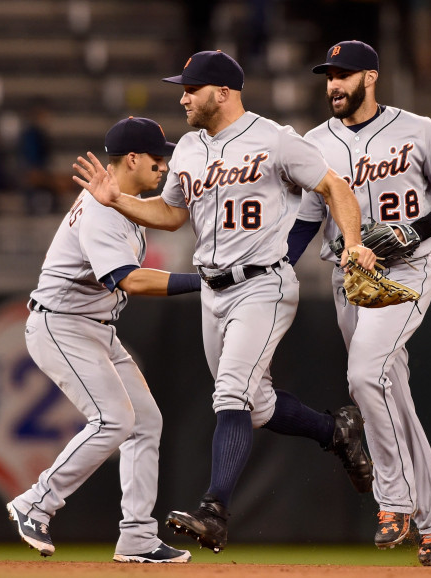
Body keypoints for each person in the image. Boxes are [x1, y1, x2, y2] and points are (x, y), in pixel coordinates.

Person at [72, 50, 377, 554]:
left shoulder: (274, 138)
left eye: (191, 88)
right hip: (212, 290)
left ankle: (214, 511)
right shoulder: (190, 147)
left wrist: (353, 241)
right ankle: (335, 430)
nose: (182, 97)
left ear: (223, 92)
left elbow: (334, 187)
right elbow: (171, 215)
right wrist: (119, 200)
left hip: (264, 285)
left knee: (231, 393)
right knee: (254, 404)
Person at [287, 40, 431, 567]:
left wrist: (419, 230)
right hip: (351, 279)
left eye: (344, 75)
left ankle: (394, 500)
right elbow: (306, 219)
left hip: (405, 273)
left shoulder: (418, 128)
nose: (333, 85)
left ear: (370, 77)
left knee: (366, 376)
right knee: (391, 396)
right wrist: (280, 263)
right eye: (329, 75)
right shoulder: (315, 142)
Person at [6, 117, 200, 564]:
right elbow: (128, 280)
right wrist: (202, 281)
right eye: (157, 158)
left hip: (94, 327)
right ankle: (36, 502)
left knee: (145, 422)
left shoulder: (121, 201)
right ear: (132, 158)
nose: (164, 166)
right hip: (62, 324)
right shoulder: (102, 208)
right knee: (113, 419)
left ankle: (136, 536)